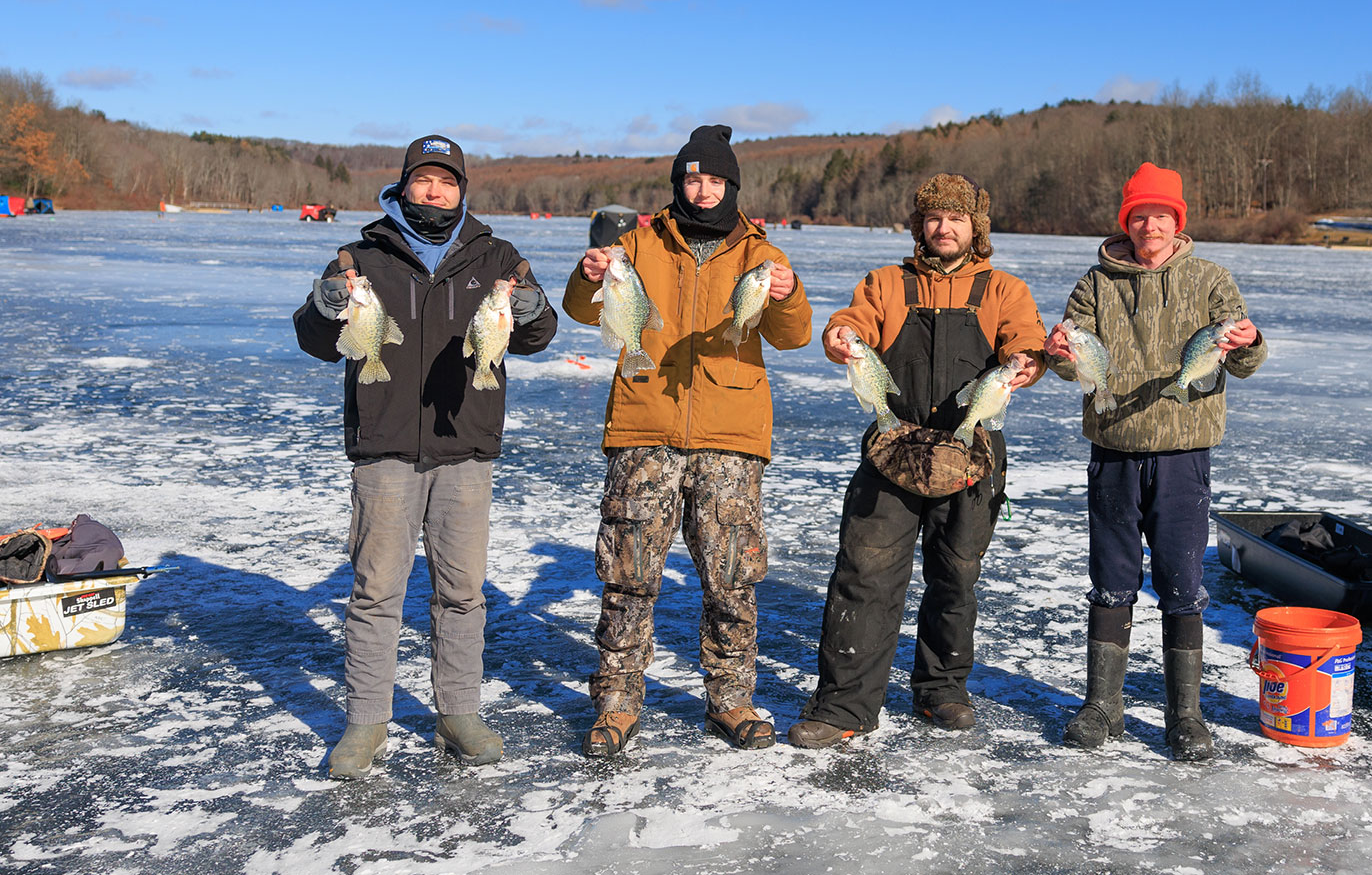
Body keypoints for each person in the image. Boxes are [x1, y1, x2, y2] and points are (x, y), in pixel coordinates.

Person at [293, 134, 558, 778]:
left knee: (462, 592)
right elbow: (315, 339)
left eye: (447, 180)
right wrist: (328, 304)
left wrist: (528, 308)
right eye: (423, 179)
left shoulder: (498, 256)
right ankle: (365, 723)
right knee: (376, 589)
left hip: (464, 444)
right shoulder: (362, 253)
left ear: (462, 189)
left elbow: (539, 334)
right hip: (384, 445)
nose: (434, 191)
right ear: (404, 184)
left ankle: (459, 713)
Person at [562, 125, 812, 757]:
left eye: (715, 180)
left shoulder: (763, 254)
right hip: (645, 427)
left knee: (732, 577)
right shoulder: (637, 244)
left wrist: (786, 295)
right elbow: (582, 308)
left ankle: (731, 700)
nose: (703, 192)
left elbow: (793, 334)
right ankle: (616, 705)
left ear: (732, 186)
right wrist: (588, 271)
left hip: (731, 436)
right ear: (678, 184)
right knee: (629, 574)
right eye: (692, 179)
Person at [789, 173, 1046, 749]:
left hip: (972, 450)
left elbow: (1023, 338)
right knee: (865, 572)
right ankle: (845, 706)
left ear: (974, 227)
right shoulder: (887, 282)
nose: (943, 227)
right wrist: (840, 335)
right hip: (894, 445)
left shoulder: (1003, 288)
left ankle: (941, 689)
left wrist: (1026, 361)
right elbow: (855, 321)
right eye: (933, 218)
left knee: (955, 575)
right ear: (919, 226)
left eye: (956, 218)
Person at [1042, 162, 1266, 761]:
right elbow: (1072, 368)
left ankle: (1185, 714)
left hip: (1184, 453)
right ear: (1127, 222)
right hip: (1113, 447)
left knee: (1181, 581)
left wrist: (1249, 342)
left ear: (1176, 222)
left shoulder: (1212, 280)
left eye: (1160, 216)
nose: (1150, 226)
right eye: (1139, 216)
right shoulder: (1094, 284)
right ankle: (1102, 706)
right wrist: (1061, 353)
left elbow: (1243, 363)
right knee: (1112, 578)